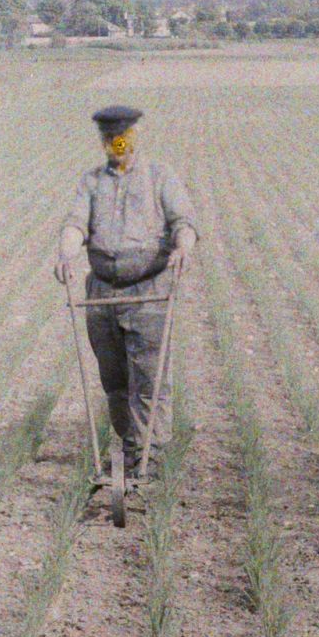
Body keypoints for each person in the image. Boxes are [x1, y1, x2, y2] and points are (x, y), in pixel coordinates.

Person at [53, 105, 198, 475]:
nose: (116, 144)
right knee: (114, 380)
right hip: (102, 293)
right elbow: (75, 225)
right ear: (102, 141)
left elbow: (183, 222)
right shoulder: (91, 182)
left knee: (148, 379)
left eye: (122, 137)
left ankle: (151, 455)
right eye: (108, 138)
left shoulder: (160, 177)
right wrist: (66, 256)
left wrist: (183, 247)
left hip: (148, 289)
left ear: (134, 137)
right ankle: (130, 446)